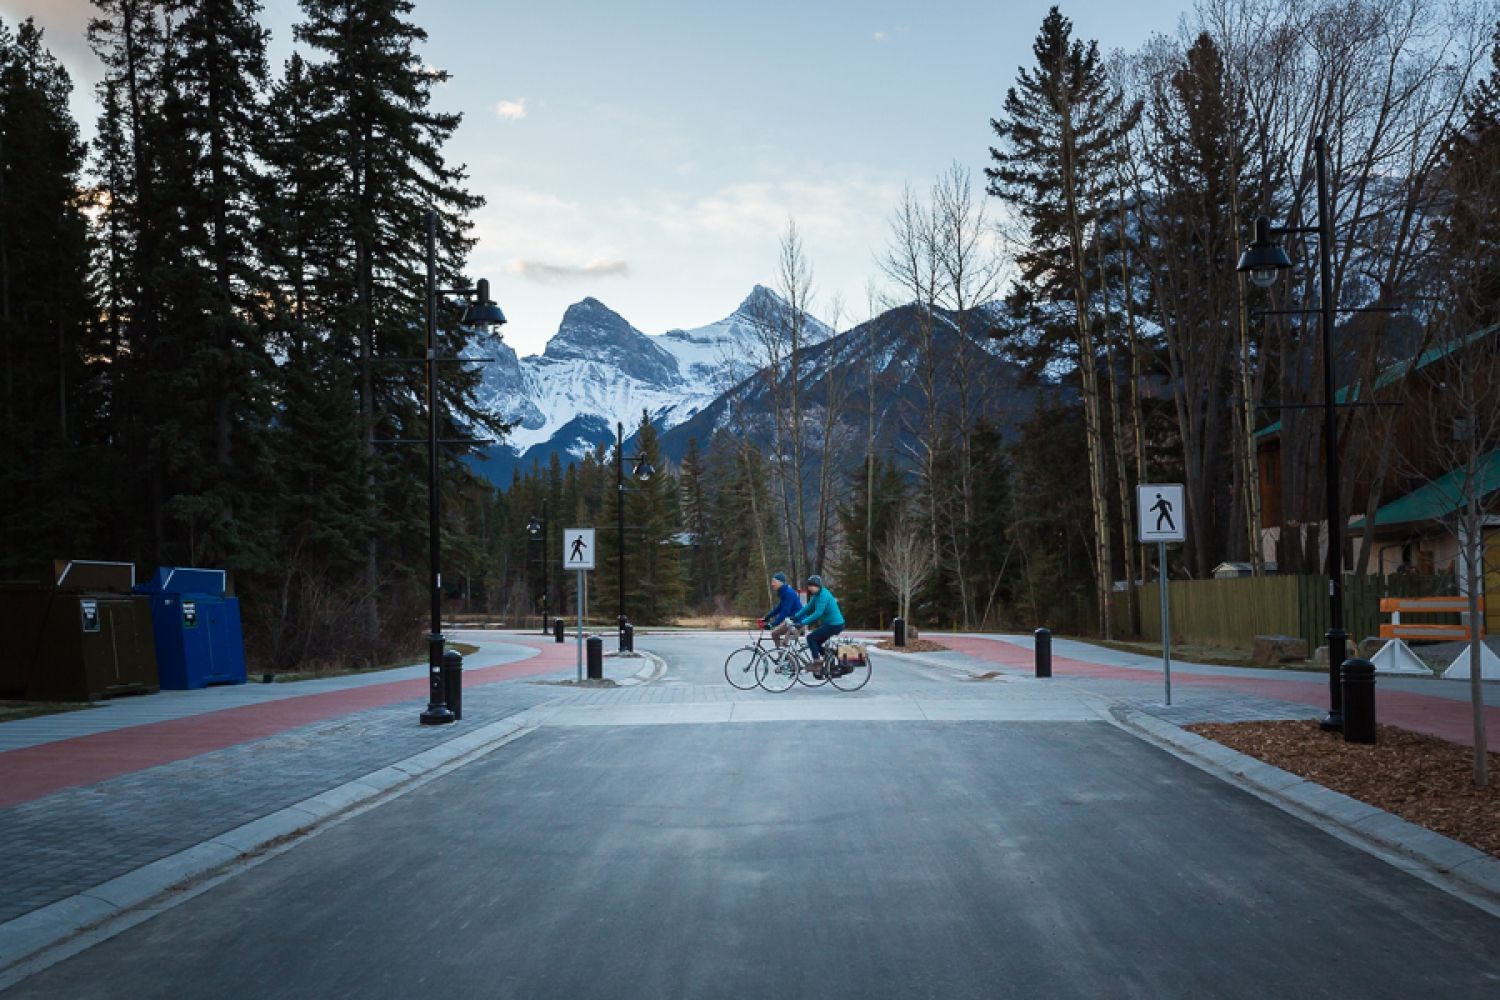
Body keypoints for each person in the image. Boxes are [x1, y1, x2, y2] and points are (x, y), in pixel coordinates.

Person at [790, 574, 845, 676]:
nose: (810, 587)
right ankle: (829, 659)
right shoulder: (816, 595)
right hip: (829, 624)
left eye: (813, 585)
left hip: (835, 624)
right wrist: (795, 617)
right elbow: (808, 608)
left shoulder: (824, 595)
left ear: (819, 586)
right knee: (816, 642)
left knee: (811, 638)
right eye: (809, 585)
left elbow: (818, 613)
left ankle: (817, 661)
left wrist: (802, 622)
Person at [758, 572, 803, 647]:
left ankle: (784, 657)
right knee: (777, 638)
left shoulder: (788, 593)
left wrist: (773, 624)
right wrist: (767, 617)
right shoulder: (784, 592)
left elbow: (785, 611)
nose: (772, 584)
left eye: (774, 582)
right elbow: (779, 608)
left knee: (775, 635)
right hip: (791, 621)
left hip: (797, 622)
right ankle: (783, 657)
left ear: (781, 582)